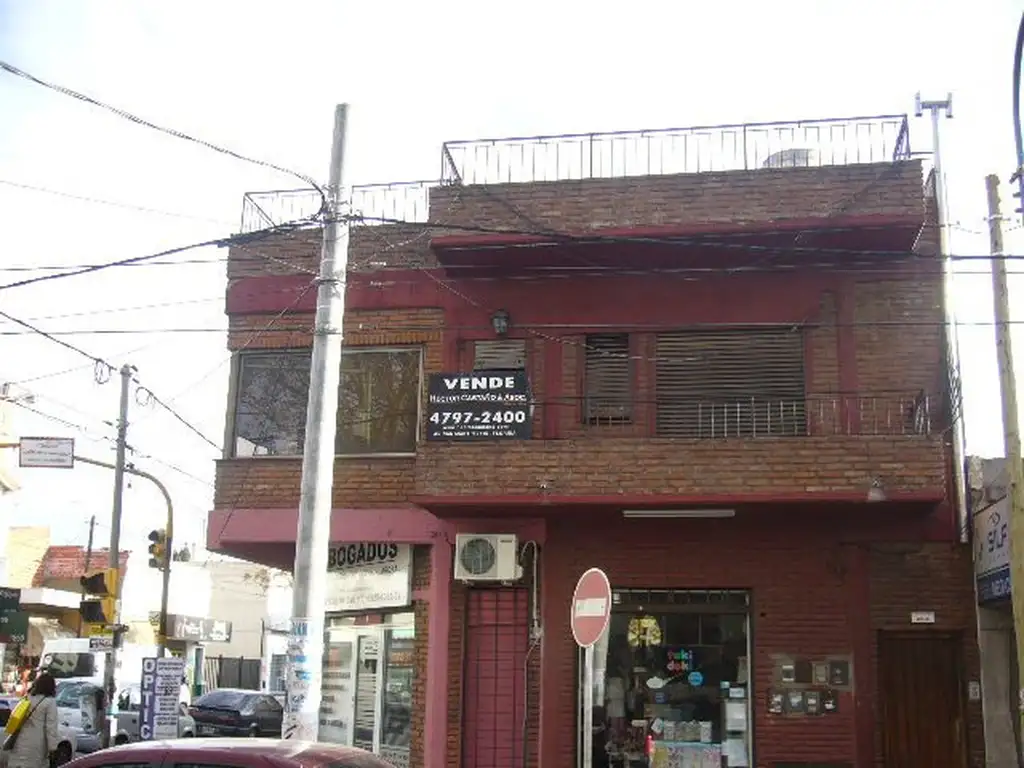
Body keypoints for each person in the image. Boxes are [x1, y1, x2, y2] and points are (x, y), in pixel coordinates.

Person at [5, 671, 59, 768]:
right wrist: (53, 749)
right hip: (37, 745)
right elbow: (51, 728)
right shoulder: (49, 702)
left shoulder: (27, 698)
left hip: (19, 741)